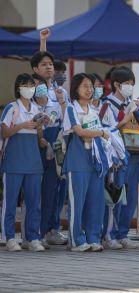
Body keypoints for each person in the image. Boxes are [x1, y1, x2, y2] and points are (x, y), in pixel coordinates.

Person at [62, 73, 111, 252]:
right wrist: (100, 133)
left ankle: (93, 237)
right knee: (77, 203)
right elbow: (79, 131)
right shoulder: (71, 109)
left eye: (91, 86)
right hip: (77, 161)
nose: (89, 89)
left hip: (94, 162)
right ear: (76, 89)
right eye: (85, 86)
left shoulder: (94, 110)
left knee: (95, 202)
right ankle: (76, 240)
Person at [99, 66, 139, 250]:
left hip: (133, 153)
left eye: (132, 83)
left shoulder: (132, 104)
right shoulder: (106, 104)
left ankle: (122, 233)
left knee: (129, 196)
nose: (130, 87)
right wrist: (125, 119)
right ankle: (108, 234)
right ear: (116, 84)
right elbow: (103, 130)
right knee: (113, 195)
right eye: (127, 83)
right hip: (115, 157)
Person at [1, 74, 45, 252]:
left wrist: (41, 125)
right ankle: (10, 237)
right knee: (10, 202)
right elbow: (5, 132)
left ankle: (32, 237)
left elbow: (39, 138)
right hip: (13, 161)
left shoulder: (37, 108)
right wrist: (22, 125)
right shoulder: (12, 108)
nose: (29, 88)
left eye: (31, 85)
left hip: (33, 161)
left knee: (34, 202)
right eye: (25, 85)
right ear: (18, 87)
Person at [31, 74, 68, 247]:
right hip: (33, 152)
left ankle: (43, 232)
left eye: (44, 84)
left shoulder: (57, 101)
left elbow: (65, 124)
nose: (41, 87)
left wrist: (61, 102)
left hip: (53, 151)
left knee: (49, 194)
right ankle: (29, 235)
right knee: (33, 195)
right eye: (37, 84)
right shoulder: (28, 106)